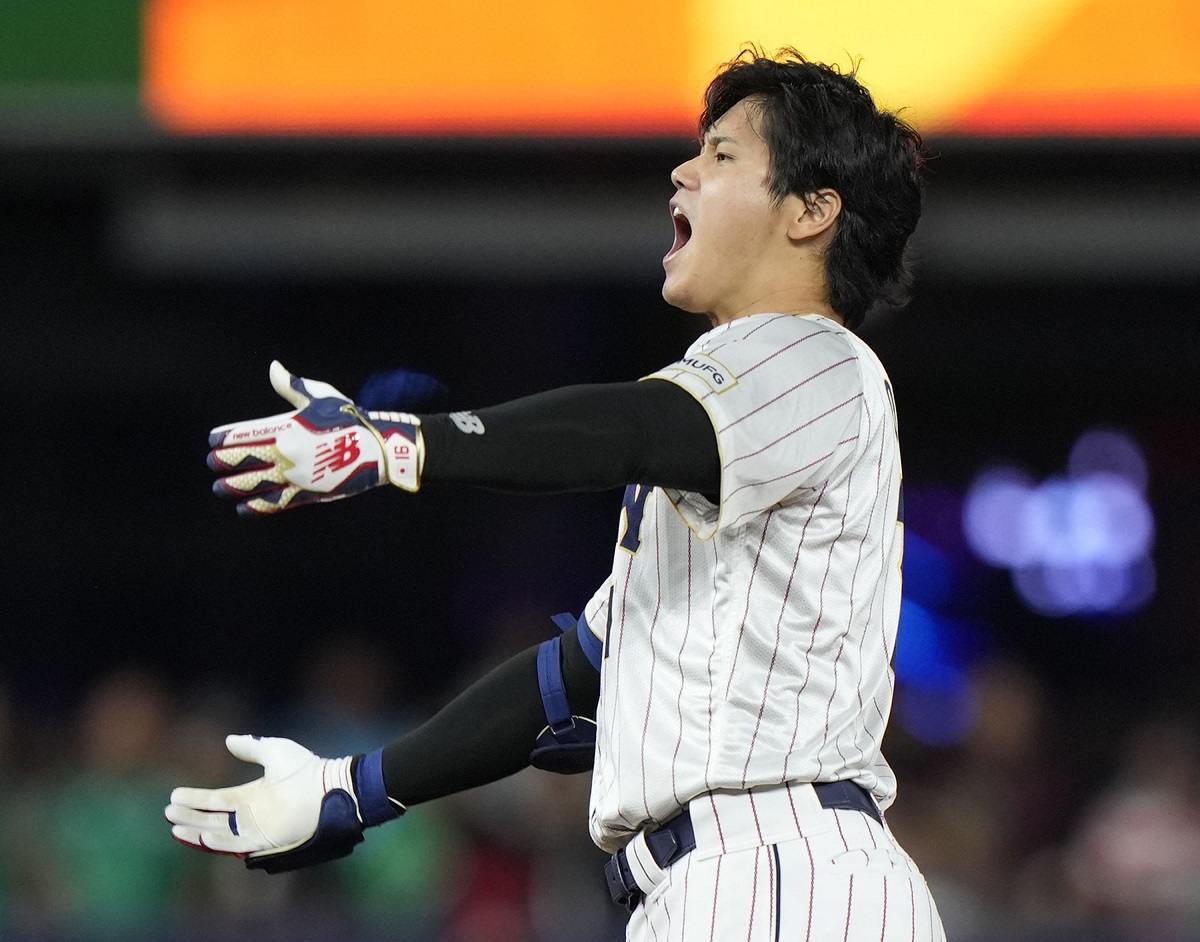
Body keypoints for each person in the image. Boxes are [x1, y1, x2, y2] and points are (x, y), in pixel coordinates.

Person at [166, 47, 945, 939]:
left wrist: (398, 442)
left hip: (774, 874)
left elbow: (634, 428)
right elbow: (571, 676)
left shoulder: (813, 358)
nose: (684, 170)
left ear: (812, 211)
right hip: (739, 882)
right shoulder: (757, 430)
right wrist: (358, 788)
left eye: (724, 155)